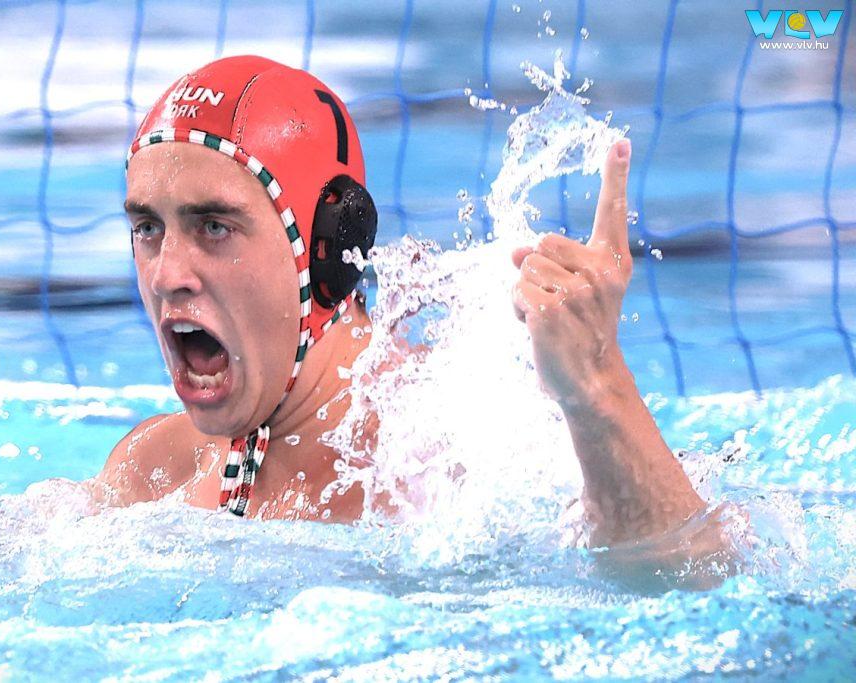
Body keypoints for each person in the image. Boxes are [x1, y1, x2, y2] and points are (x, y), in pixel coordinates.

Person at [95, 54, 721, 558]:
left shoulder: (451, 452)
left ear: (324, 249)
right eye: (148, 228)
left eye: (214, 227)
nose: (166, 275)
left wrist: (598, 387)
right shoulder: (152, 472)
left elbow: (696, 576)